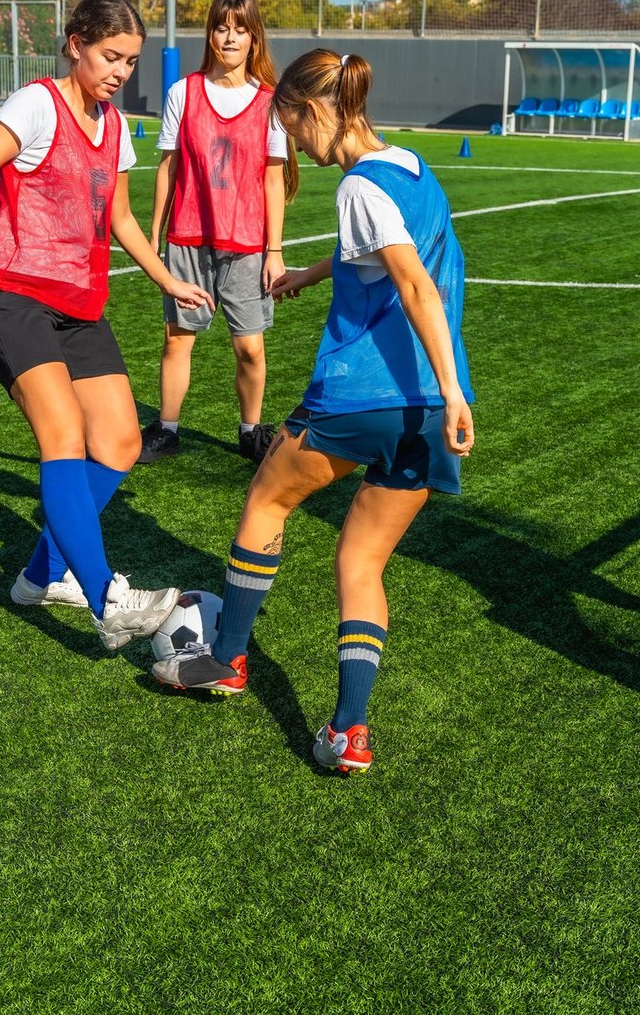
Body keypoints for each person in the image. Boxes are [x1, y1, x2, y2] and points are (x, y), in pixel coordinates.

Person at [149, 49, 475, 776]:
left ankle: (228, 660)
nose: (293, 144)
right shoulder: (414, 169)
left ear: (312, 110)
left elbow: (416, 286)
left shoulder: (357, 185)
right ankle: (348, 732)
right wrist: (309, 273)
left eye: (291, 128)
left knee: (266, 498)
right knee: (361, 560)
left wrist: (450, 387)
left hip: (364, 395)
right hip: (425, 419)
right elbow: (388, 248)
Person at [0, 0, 212, 652]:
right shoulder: (35, 104)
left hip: (78, 303)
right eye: (111, 56)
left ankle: (37, 575)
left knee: (117, 443)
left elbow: (117, 219)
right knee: (61, 435)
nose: (120, 70)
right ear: (77, 43)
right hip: (8, 293)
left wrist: (167, 276)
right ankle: (105, 596)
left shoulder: (114, 127)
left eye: (131, 61)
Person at [139, 0, 297, 467]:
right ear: (210, 33)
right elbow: (167, 167)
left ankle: (251, 431)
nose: (229, 37)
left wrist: (275, 250)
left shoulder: (271, 103)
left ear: (254, 37)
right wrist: (153, 235)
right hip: (187, 237)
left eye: (240, 28)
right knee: (177, 339)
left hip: (248, 244)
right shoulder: (181, 92)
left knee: (249, 347)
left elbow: (273, 178)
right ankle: (167, 429)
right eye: (221, 27)